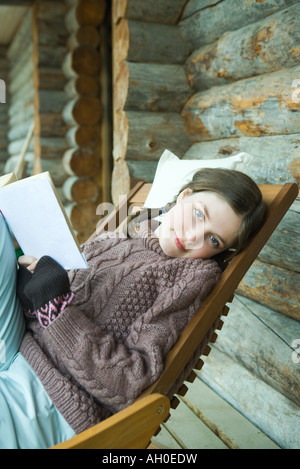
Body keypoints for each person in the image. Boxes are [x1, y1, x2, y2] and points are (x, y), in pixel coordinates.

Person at [0, 168, 266, 449]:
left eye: (214, 240)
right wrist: (32, 290)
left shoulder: (192, 277)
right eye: (199, 214)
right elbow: (52, 302)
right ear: (184, 196)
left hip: (53, 396)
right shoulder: (122, 236)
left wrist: (55, 308)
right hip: (20, 346)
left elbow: (129, 382)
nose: (193, 238)